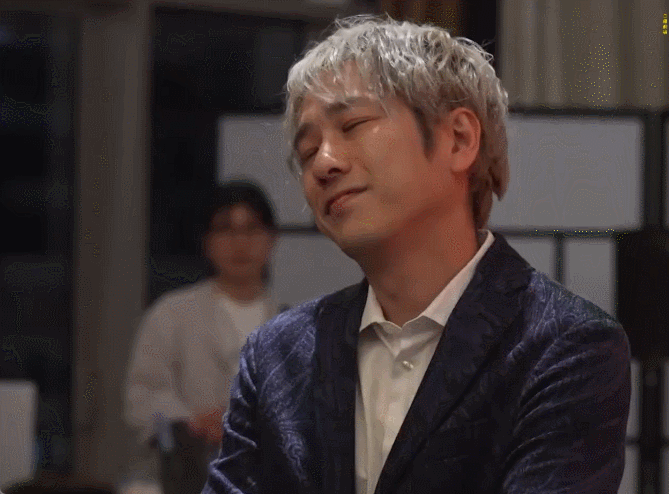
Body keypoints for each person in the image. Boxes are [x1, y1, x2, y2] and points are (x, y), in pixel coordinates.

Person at [203, 16, 631, 494]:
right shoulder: (276, 357)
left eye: (353, 124)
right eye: (307, 151)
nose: (324, 163)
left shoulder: (565, 346)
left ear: (459, 139)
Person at [125, 180, 280, 494]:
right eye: (225, 230)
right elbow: (140, 399)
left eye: (251, 229)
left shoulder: (289, 323)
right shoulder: (172, 312)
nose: (240, 242)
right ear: (207, 242)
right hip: (181, 477)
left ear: (272, 239)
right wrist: (192, 421)